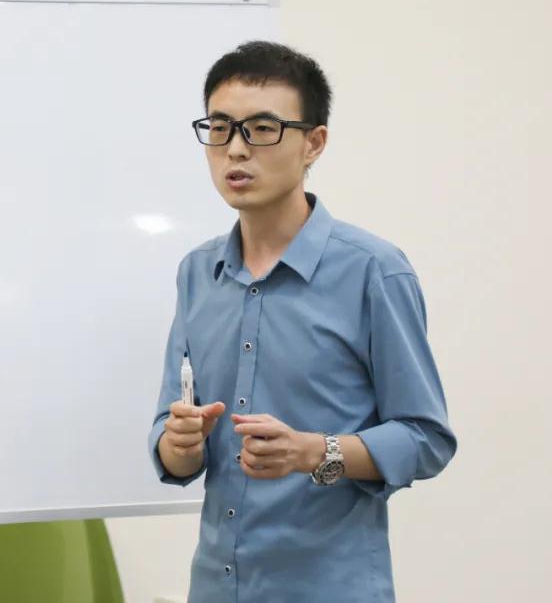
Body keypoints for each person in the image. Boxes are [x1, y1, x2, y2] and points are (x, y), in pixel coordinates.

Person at [147, 41, 456, 602]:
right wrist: (181, 442)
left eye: (262, 129)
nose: (235, 149)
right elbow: (174, 447)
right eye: (220, 128)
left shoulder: (373, 271)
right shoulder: (197, 273)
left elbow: (425, 437)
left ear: (314, 142)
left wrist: (315, 452)